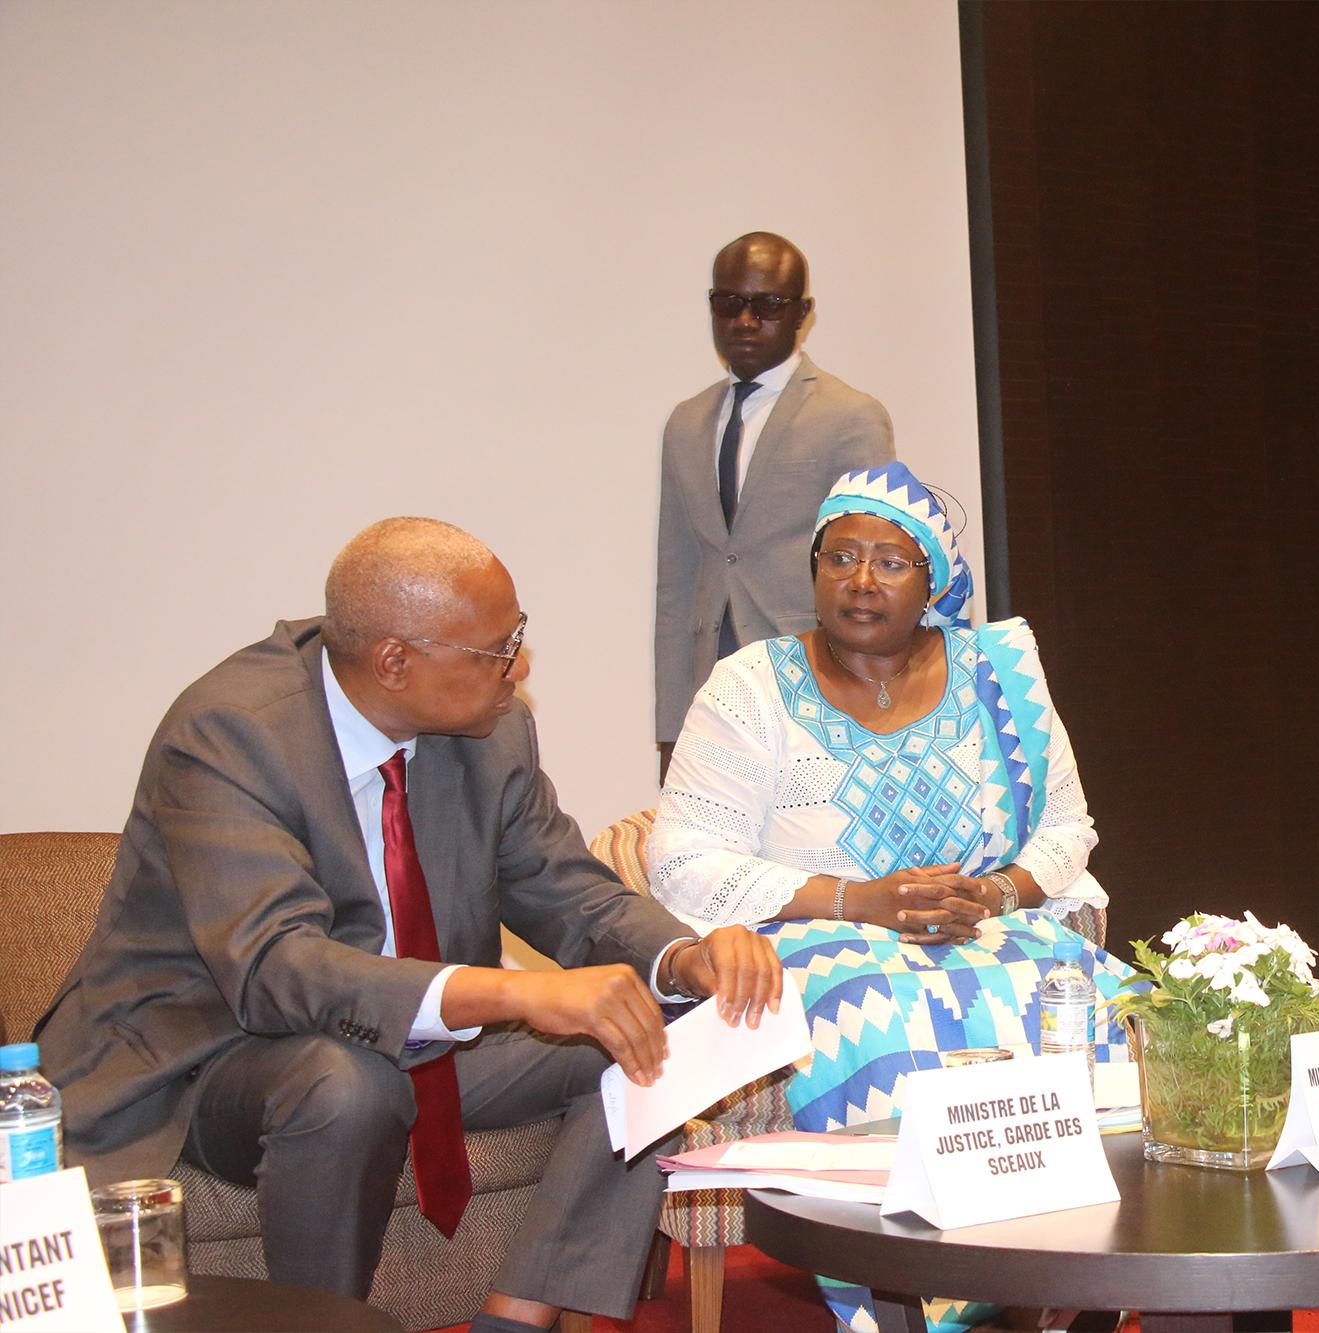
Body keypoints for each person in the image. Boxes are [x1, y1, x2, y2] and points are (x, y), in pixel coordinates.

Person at [35, 517, 783, 1333]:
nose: (520, 666)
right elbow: (277, 968)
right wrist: (514, 993)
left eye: (518, 635)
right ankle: (323, 1327)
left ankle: (515, 1317)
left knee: (656, 1030)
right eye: (500, 648)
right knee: (347, 1084)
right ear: (395, 661)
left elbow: (566, 887)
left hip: (412, 1041)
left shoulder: (490, 730)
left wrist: (683, 957)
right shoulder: (231, 733)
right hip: (214, 1056)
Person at [648, 462, 1127, 1333]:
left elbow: (1068, 826)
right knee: (886, 1023)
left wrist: (995, 891)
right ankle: (923, 1297)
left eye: (891, 561)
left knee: (1103, 1010)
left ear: (933, 580)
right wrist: (854, 900)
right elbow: (682, 860)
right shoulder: (750, 687)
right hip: (816, 941)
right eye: (840, 557)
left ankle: (1069, 1282)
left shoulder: (998, 676)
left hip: (991, 930)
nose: (862, 579)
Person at [655, 230, 895, 777]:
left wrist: (873, 701)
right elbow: (677, 584)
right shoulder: (686, 423)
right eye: (729, 303)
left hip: (817, 678)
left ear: (802, 313)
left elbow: (875, 573)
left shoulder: (850, 417)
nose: (745, 321)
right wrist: (671, 729)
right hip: (712, 684)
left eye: (768, 305)